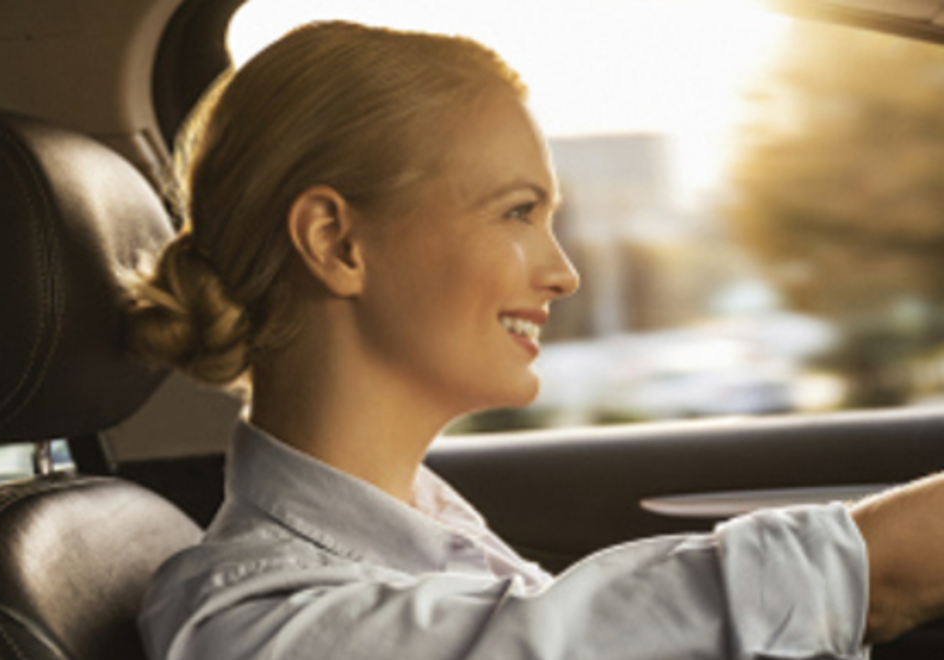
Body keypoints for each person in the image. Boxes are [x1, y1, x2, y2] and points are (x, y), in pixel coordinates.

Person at [124, 20, 943, 660]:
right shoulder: (260, 628)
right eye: (518, 212)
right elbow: (623, 629)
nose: (563, 275)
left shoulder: (432, 537)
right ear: (338, 242)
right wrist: (877, 569)